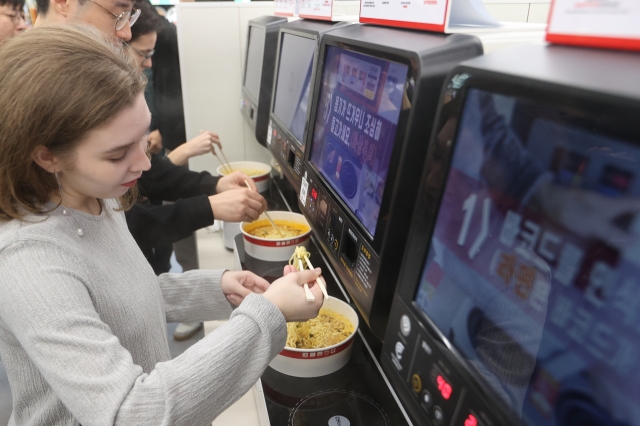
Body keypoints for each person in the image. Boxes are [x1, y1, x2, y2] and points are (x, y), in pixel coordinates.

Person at [0, 24, 324, 425]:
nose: (144, 163)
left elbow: (119, 296)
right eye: (118, 154)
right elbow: (129, 414)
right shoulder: (29, 263)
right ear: (47, 157)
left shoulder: (95, 195)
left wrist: (215, 288)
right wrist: (267, 316)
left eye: (142, 138)